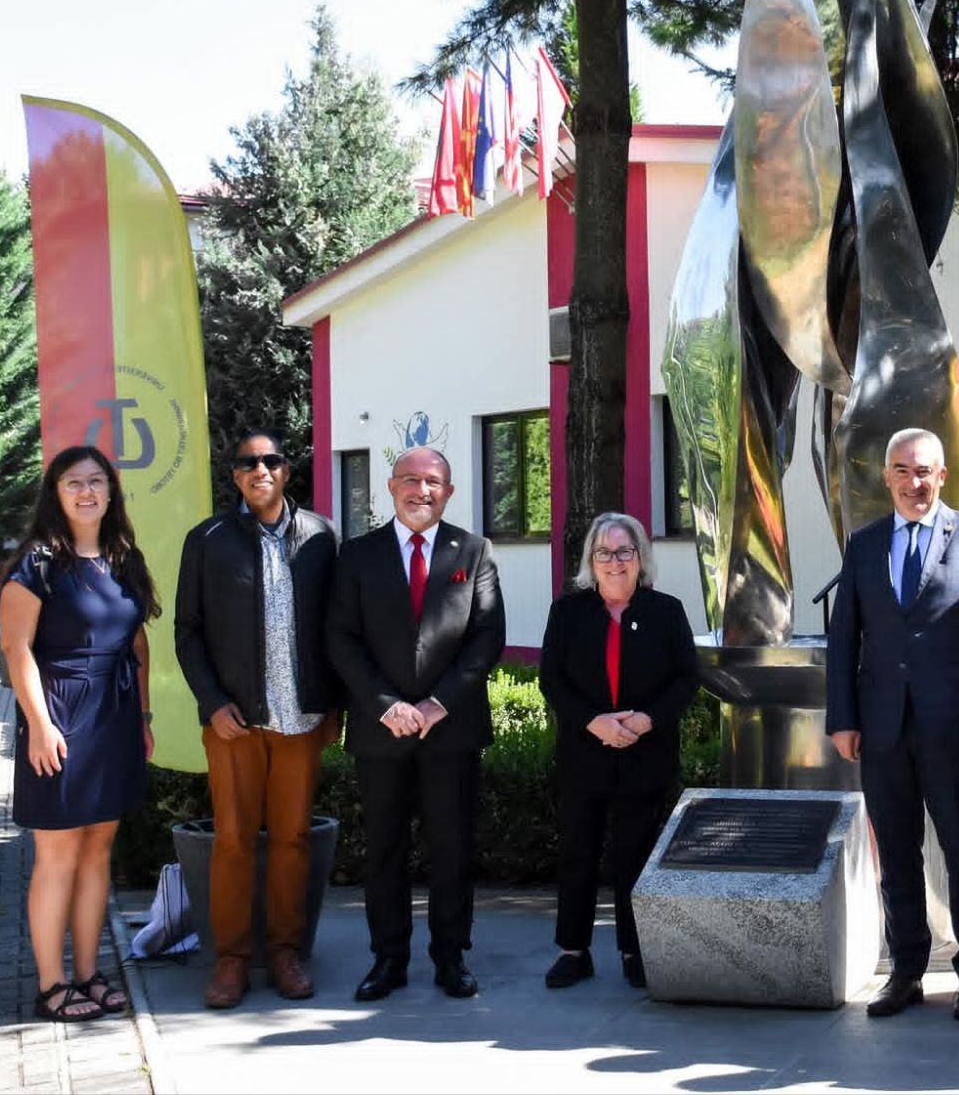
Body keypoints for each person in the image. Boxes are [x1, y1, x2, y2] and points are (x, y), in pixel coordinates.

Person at [826, 427, 959, 1021]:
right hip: (882, 726)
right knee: (897, 853)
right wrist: (843, 718)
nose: (915, 483)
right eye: (904, 471)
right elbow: (844, 637)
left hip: (951, 726)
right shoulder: (864, 544)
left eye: (925, 471)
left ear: (943, 476)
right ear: (887, 477)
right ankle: (906, 969)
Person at [328, 446, 505, 1002]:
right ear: (390, 486)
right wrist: (387, 704)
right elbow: (341, 638)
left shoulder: (473, 551)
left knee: (452, 848)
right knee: (384, 848)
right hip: (381, 730)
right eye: (410, 479)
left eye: (432, 481)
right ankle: (389, 958)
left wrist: (436, 704)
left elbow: (486, 638)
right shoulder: (357, 555)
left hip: (450, 730)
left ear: (448, 492)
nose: (420, 490)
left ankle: (451, 956)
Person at [173, 430, 340, 1008]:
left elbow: (337, 627)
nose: (260, 469)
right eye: (248, 462)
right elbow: (188, 632)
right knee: (233, 842)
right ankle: (232, 960)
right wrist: (212, 702)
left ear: (286, 471)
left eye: (271, 461)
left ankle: (287, 954)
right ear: (236, 476)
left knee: (293, 839)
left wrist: (334, 706)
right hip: (235, 721)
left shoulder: (321, 536)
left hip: (302, 717)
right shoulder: (208, 540)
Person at [0, 445, 159, 1023]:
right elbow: (16, 649)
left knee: (97, 852)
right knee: (59, 854)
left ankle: (89, 975)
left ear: (111, 491)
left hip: (114, 718)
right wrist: (40, 726)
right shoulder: (37, 564)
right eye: (74, 482)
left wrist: (143, 718)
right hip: (61, 715)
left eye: (96, 481)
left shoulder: (123, 558)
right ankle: (52, 986)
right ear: (56, 493)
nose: (87, 491)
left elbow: (137, 643)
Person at [537, 513, 699, 990]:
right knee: (577, 853)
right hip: (584, 753)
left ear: (640, 557)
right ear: (591, 560)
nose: (615, 561)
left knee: (636, 855)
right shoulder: (568, 612)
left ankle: (635, 949)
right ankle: (573, 950)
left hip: (645, 754)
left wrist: (646, 719)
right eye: (604, 552)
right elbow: (552, 680)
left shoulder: (666, 611)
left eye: (624, 551)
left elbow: (686, 678)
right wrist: (595, 722)